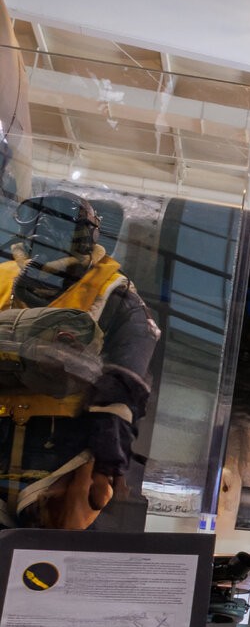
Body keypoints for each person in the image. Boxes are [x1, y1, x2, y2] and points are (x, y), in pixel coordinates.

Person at [0, 193, 158, 529]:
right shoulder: (3, 277)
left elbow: (124, 386)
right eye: (40, 222)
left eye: (59, 225)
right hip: (49, 454)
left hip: (63, 463)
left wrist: (107, 464)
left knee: (44, 568)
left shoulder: (114, 294)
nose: (47, 231)